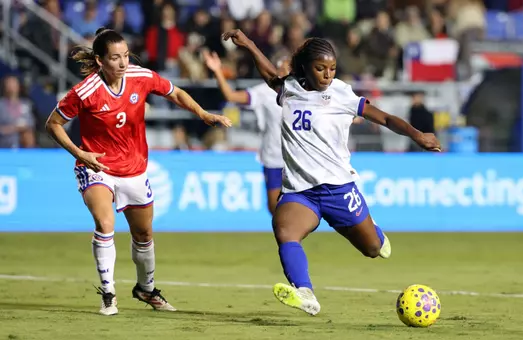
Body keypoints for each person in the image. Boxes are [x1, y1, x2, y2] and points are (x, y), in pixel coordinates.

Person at [222, 29, 440, 315]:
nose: (327, 74)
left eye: (332, 68)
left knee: (373, 249)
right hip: (302, 192)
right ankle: (305, 293)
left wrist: (416, 134)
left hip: (339, 189)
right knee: (284, 229)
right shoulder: (289, 89)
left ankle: (374, 233)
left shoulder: (341, 94)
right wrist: (249, 44)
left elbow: (384, 117)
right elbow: (270, 76)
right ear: (305, 68)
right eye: (320, 68)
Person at [45, 27, 231, 316]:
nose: (122, 63)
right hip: (97, 167)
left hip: (133, 169)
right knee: (105, 224)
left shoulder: (140, 77)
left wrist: (202, 113)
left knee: (143, 233)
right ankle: (108, 294)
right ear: (100, 61)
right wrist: (80, 153)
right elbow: (53, 124)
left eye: (126, 56)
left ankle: (146, 288)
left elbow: (175, 93)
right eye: (115, 58)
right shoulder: (85, 92)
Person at [203, 50, 289, 215]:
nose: (284, 71)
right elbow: (231, 96)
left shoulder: (303, 90)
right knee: (275, 209)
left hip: (297, 159)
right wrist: (218, 71)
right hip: (273, 157)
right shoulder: (264, 91)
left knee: (297, 208)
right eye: (281, 67)